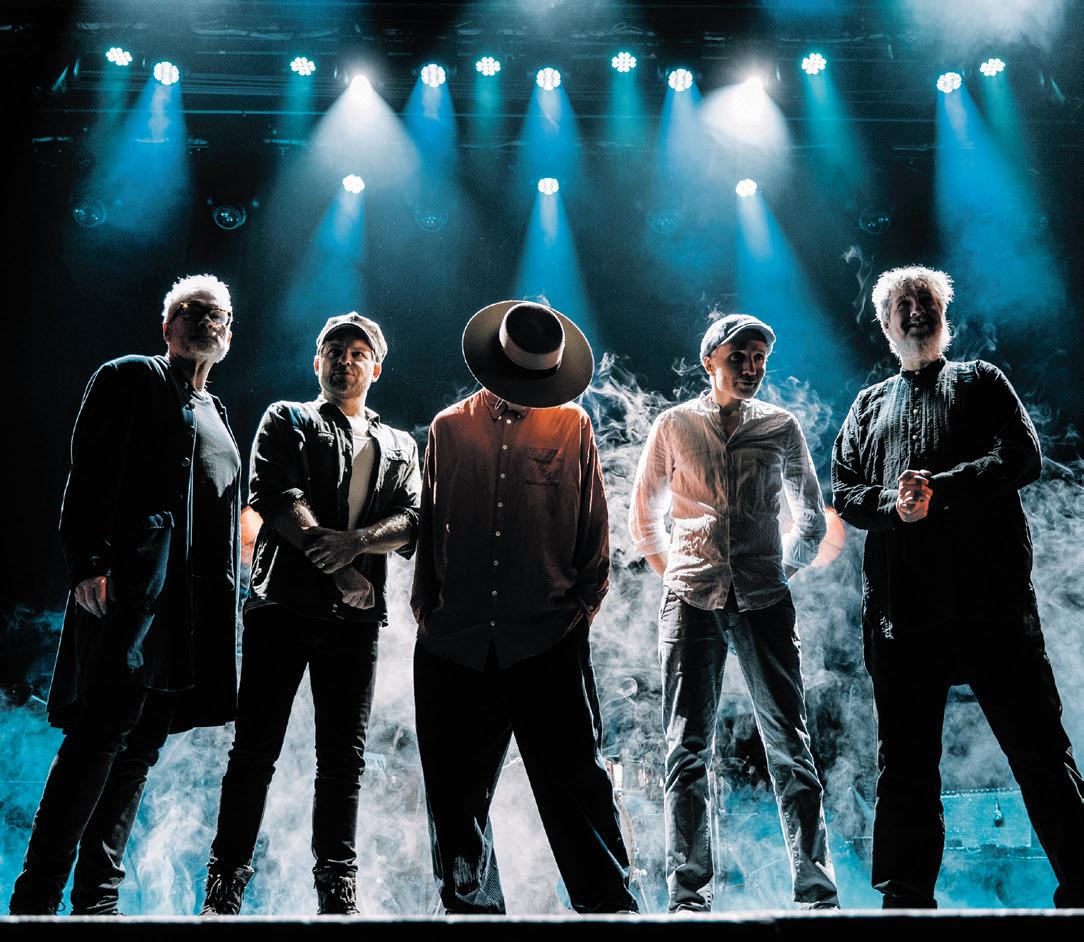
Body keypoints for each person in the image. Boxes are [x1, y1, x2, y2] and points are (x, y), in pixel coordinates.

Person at [831, 264, 1084, 908]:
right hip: (902, 613)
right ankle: (904, 896)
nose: (916, 311)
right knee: (905, 763)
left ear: (945, 316)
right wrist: (894, 504)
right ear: (885, 324)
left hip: (991, 606)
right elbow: (845, 491)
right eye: (903, 304)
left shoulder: (982, 381)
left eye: (926, 301)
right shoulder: (867, 405)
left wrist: (939, 489)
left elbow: (1023, 456)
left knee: (1038, 747)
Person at [9, 275, 241, 915]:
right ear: (167, 327)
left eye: (218, 315)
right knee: (100, 736)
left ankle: (98, 901)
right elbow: (88, 474)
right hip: (133, 596)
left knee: (139, 749)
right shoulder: (130, 376)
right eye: (191, 311)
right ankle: (36, 898)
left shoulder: (217, 412)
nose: (206, 321)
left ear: (229, 334)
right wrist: (89, 561)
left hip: (189, 613)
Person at [410, 300, 637, 914]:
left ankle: (613, 916)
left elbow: (595, 535)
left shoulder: (573, 427)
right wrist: (429, 613)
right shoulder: (448, 428)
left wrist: (573, 616)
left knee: (578, 788)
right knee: (454, 798)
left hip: (546, 638)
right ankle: (473, 916)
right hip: (455, 641)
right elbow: (431, 529)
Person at [200, 312, 420, 916]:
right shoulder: (287, 418)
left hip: (355, 622)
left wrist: (357, 542)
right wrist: (344, 567)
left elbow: (413, 520)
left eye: (358, 352)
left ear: (377, 368)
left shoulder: (400, 444)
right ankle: (224, 889)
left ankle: (337, 893)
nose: (345, 360)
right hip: (282, 608)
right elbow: (276, 497)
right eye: (334, 350)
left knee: (344, 760)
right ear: (316, 362)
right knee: (255, 752)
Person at [629, 313, 840, 912]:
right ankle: (688, 896)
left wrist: (777, 570)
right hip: (690, 601)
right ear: (710, 362)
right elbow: (644, 518)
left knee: (789, 742)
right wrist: (679, 575)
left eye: (759, 359)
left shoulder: (780, 425)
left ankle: (817, 893)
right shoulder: (674, 425)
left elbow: (811, 518)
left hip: (763, 601)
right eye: (739, 357)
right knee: (686, 748)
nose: (751, 368)